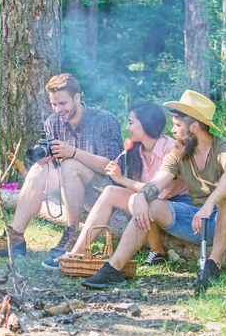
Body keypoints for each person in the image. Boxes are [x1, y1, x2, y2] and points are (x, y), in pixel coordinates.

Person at [80, 90, 226, 293]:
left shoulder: (223, 146)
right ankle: (113, 269)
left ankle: (212, 265)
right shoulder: (178, 153)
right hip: (196, 219)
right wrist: (141, 198)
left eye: (177, 125)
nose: (172, 130)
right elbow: (157, 183)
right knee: (150, 205)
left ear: (194, 127)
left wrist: (209, 205)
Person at [0, 73, 122, 262]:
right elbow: (55, 166)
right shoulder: (53, 122)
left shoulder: (104, 120)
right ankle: (15, 238)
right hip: (69, 189)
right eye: (53, 104)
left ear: (77, 98)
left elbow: (111, 168)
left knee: (70, 164)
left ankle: (72, 234)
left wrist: (73, 152)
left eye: (62, 103)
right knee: (38, 170)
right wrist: (45, 160)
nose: (58, 109)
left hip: (102, 192)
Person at [41, 101, 188, 270]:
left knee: (141, 199)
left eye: (131, 122)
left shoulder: (170, 149)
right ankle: (75, 253)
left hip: (173, 207)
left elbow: (161, 193)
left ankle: (157, 252)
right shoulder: (135, 149)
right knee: (111, 191)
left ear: (147, 124)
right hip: (145, 204)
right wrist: (117, 176)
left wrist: (121, 179)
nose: (127, 127)